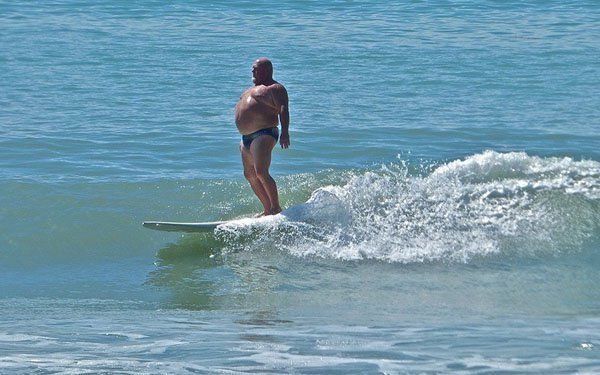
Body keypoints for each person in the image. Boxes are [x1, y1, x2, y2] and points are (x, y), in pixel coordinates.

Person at [234, 58, 290, 216]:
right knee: (249, 175)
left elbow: (283, 109)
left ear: (265, 70)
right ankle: (267, 209)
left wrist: (285, 131)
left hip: (264, 133)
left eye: (255, 69)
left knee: (261, 172)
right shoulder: (248, 90)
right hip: (246, 138)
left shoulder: (275, 88)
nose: (252, 71)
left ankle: (276, 207)